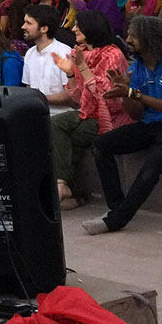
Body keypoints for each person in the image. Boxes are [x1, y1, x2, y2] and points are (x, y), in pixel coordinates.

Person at [84, 16, 162, 234]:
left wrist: (132, 92)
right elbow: (136, 115)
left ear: (150, 38)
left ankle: (116, 221)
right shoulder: (138, 67)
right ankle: (117, 207)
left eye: (133, 36)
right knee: (101, 145)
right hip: (151, 124)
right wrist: (126, 92)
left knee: (151, 168)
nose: (128, 39)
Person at [48, 11, 131, 210]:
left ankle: (66, 189)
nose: (74, 29)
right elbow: (78, 98)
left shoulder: (113, 54)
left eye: (79, 26)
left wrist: (82, 68)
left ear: (92, 28)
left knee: (65, 135)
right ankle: (65, 188)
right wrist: (70, 73)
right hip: (88, 112)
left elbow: (108, 96)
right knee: (54, 125)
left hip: (113, 116)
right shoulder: (83, 54)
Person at [21, 5, 75, 116]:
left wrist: (39, 99)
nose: (23, 27)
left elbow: (70, 96)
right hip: (36, 114)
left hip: (62, 116)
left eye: (29, 23)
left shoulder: (64, 52)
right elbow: (29, 88)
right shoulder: (30, 53)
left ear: (44, 29)